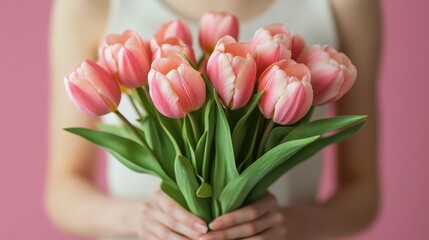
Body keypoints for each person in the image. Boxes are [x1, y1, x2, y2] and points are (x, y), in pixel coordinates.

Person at [45, 0, 381, 239]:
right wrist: (139, 220)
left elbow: (363, 193)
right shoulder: (90, 4)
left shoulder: (345, 5)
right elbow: (61, 190)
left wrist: (294, 224)